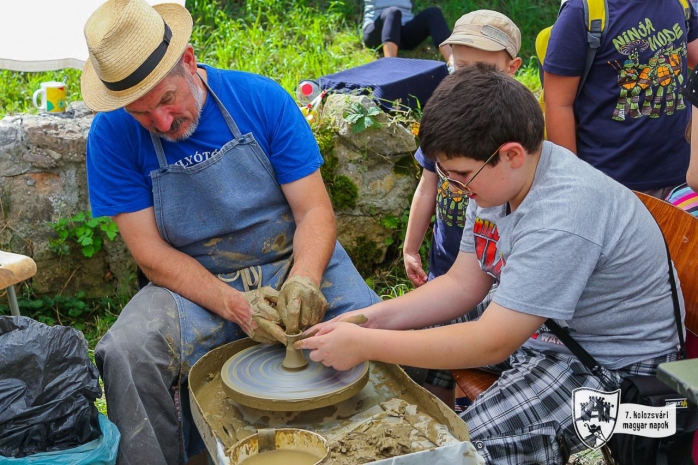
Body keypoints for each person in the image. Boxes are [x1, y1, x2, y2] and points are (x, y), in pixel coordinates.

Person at [298, 63, 684, 464]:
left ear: (511, 154)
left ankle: (452, 435)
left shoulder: (563, 214)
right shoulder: (498, 184)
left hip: (608, 365)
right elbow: (463, 284)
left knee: (461, 449)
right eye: (445, 174)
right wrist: (367, 320)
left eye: (461, 175)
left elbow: (493, 339)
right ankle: (437, 412)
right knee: (418, 332)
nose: (454, 188)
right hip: (547, 328)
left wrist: (366, 345)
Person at [80, 0, 380, 463]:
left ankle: (373, 448)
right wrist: (236, 306)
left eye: (166, 99)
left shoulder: (259, 98)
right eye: (141, 113)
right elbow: (150, 255)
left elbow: (315, 212)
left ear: (189, 61)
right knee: (127, 351)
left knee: (376, 326)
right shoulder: (109, 136)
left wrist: (304, 277)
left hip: (288, 256)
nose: (161, 122)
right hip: (195, 281)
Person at [402, 10, 522, 409]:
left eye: (481, 69)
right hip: (447, 263)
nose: (467, 78)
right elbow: (426, 185)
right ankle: (438, 412)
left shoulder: (518, 128)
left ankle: (468, 412)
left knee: (473, 352)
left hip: (496, 276)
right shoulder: (446, 118)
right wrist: (410, 246)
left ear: (512, 68)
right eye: (459, 66)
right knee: (438, 355)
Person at [543, 0, 698, 199]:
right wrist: (573, 182)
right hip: (612, 182)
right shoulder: (583, 12)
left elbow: (693, 53)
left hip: (682, 176)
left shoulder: (679, 3)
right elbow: (558, 103)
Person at [362, 0, 453, 65]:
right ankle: (389, 67)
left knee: (433, 12)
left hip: (404, 30)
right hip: (376, 33)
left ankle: (455, 64)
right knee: (393, 12)